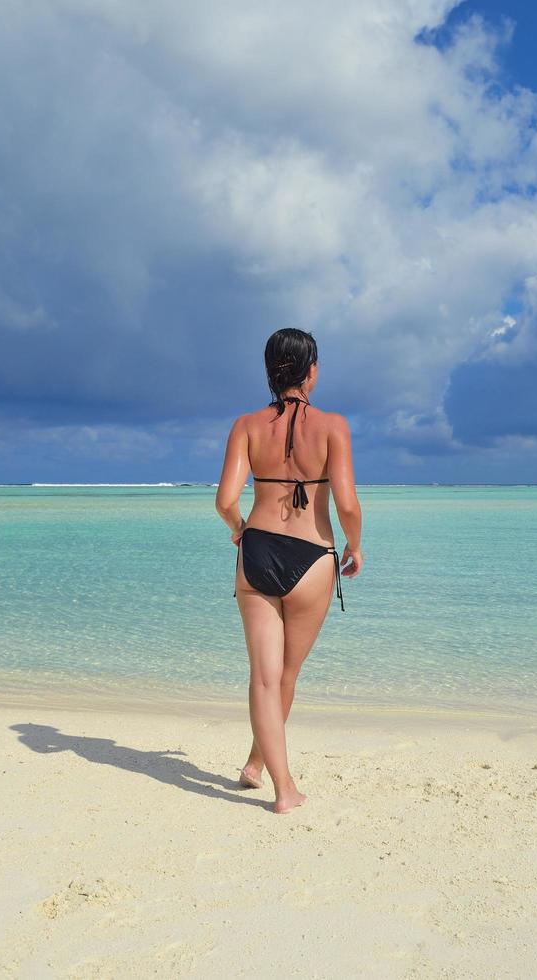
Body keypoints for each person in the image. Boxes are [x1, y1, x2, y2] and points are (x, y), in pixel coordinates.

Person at [215, 327, 363, 814]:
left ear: (269, 370)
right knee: (286, 676)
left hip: (256, 550)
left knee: (263, 677)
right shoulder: (333, 425)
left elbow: (225, 501)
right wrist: (355, 547)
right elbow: (346, 504)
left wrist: (239, 529)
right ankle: (286, 790)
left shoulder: (246, 425)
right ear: (312, 371)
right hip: (312, 558)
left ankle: (257, 766)